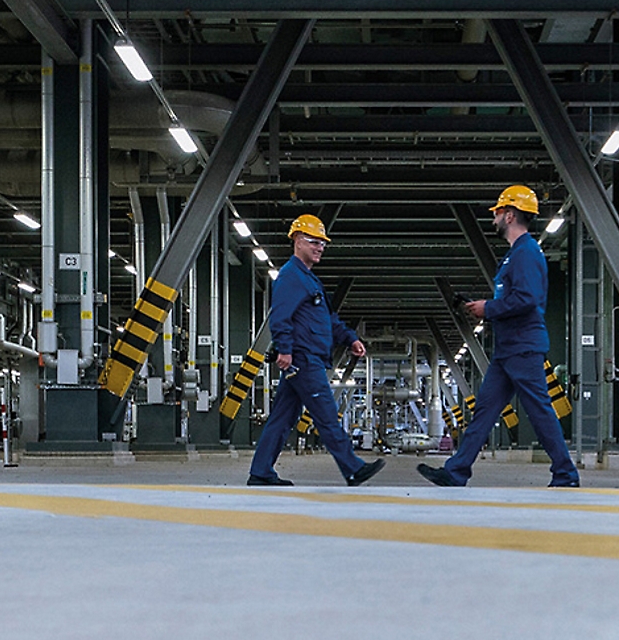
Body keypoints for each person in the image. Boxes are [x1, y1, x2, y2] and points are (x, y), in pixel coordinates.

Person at [417, 185, 580, 488]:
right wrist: (483, 307)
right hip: (508, 350)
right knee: (484, 411)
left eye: (497, 212)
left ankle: (566, 474)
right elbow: (517, 297)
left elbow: (528, 299)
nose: (493, 217)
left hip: (523, 347)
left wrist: (487, 307)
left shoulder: (527, 252)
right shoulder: (515, 255)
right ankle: (456, 472)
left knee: (540, 411)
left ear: (510, 214)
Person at [247, 214, 385, 487]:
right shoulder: (290, 276)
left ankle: (261, 472)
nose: (320, 247)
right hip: (302, 359)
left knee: (281, 419)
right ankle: (353, 468)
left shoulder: (309, 280)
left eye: (322, 243)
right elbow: (280, 316)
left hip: (308, 358)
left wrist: (350, 339)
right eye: (313, 242)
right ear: (297, 241)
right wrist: (284, 349)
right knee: (325, 413)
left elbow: (328, 320)